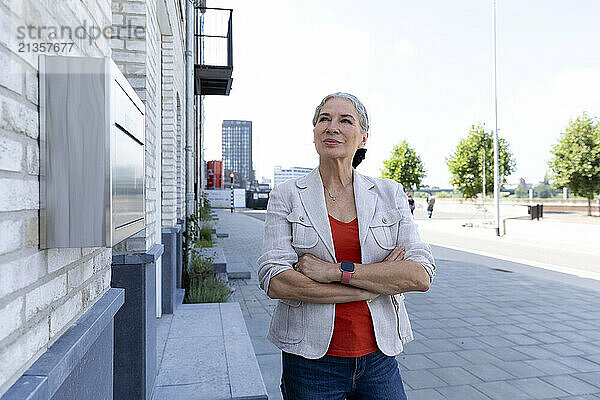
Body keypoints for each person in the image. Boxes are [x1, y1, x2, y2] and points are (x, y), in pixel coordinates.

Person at [257, 93, 436, 400]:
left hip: (379, 357)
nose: (332, 127)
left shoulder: (389, 193)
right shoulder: (287, 195)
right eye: (324, 119)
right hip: (310, 361)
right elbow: (275, 279)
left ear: (363, 137)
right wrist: (372, 286)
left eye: (345, 120)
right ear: (314, 132)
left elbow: (420, 275)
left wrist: (334, 272)